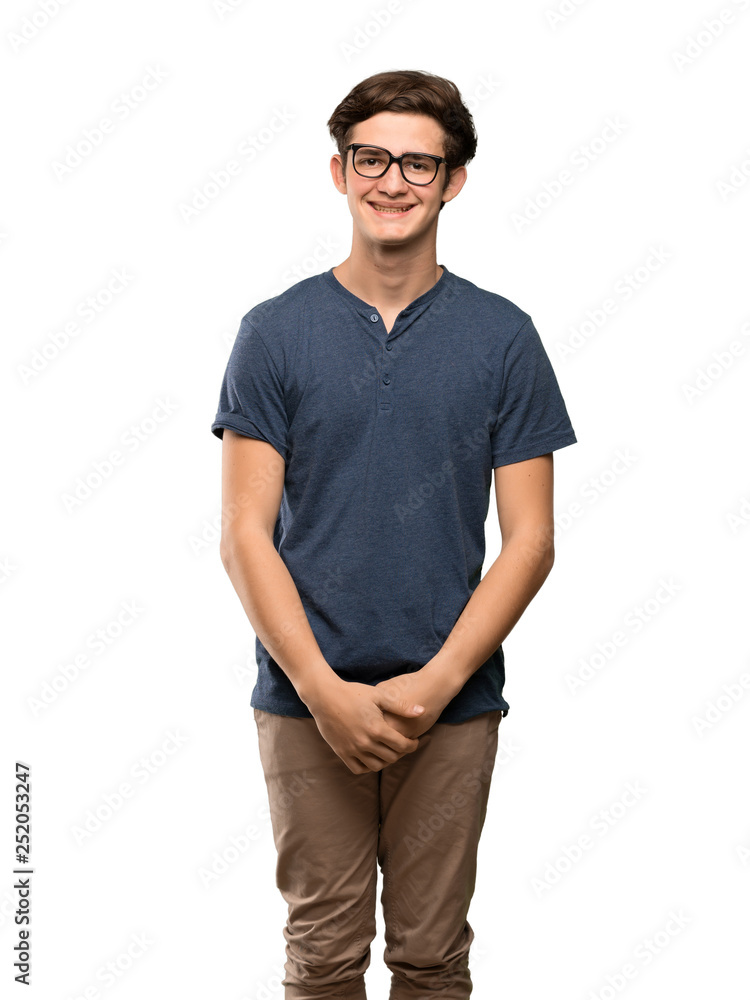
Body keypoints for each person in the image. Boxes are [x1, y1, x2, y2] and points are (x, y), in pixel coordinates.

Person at [211, 68, 577, 999]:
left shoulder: (504, 338)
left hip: (451, 707)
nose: (393, 181)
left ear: (455, 181)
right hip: (304, 700)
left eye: (421, 163)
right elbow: (244, 533)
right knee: (322, 956)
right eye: (372, 157)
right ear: (339, 171)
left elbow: (529, 540)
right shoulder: (275, 332)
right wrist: (321, 689)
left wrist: (441, 679)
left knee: (430, 958)